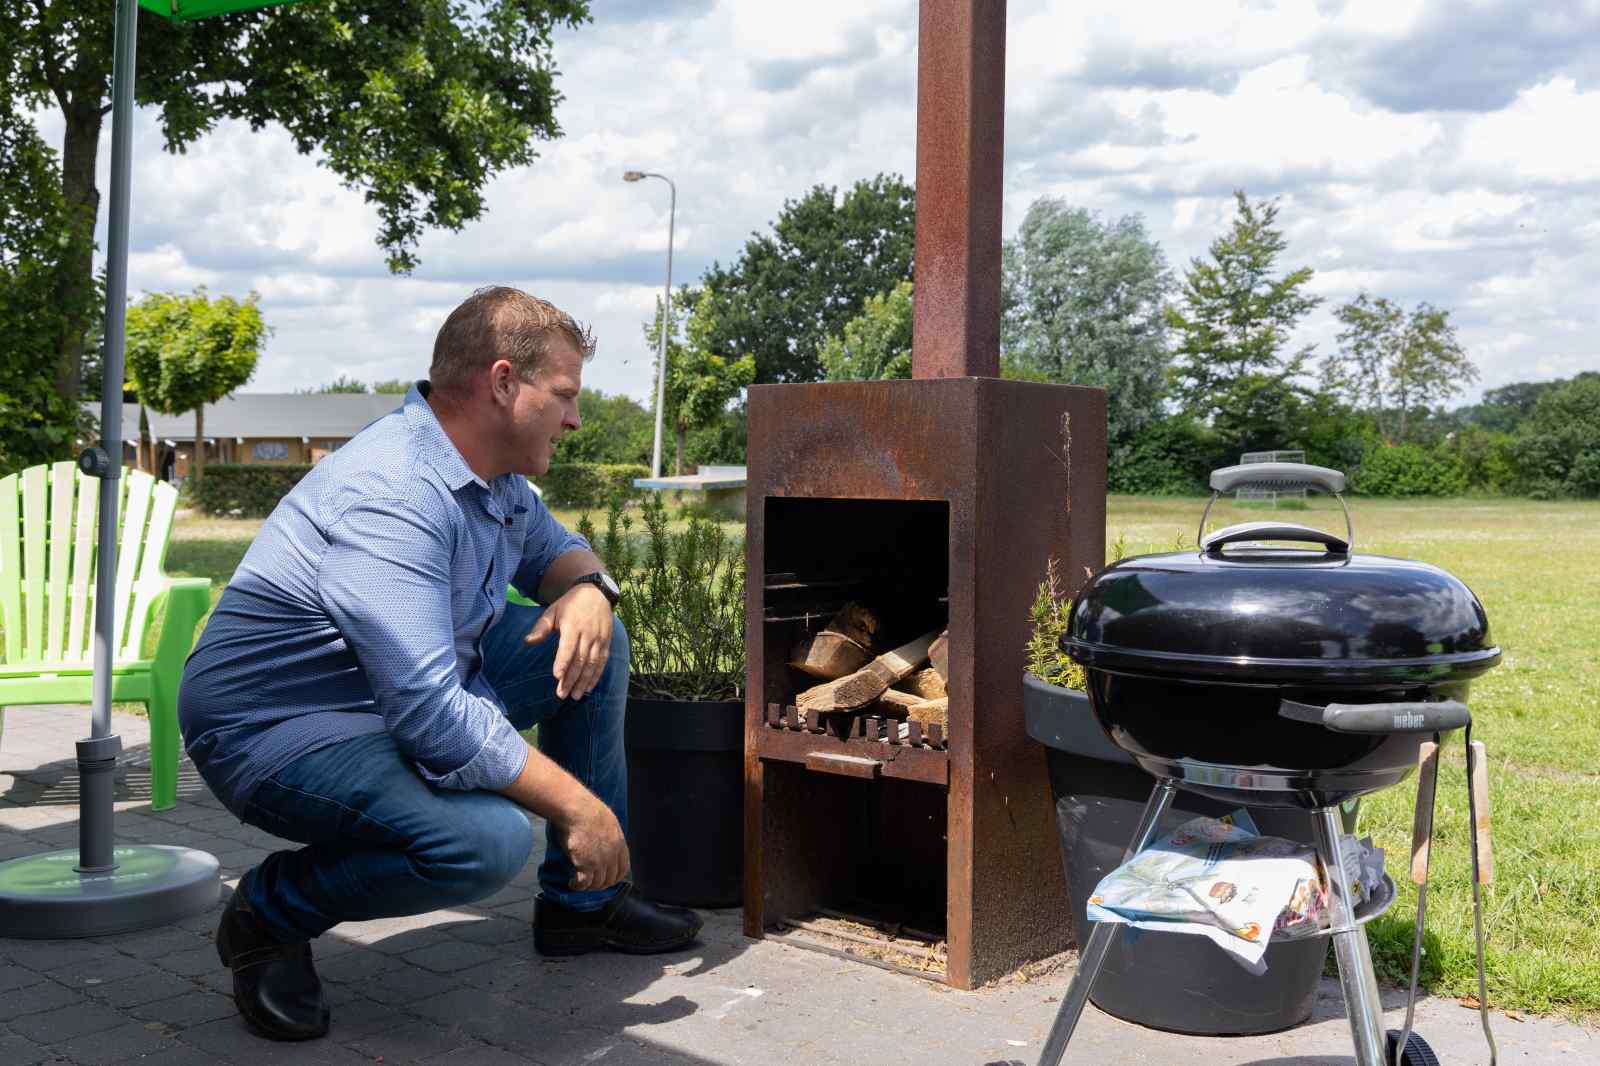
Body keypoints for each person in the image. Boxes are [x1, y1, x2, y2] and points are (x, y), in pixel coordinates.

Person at [178, 287, 701, 1042]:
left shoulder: (495, 476)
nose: (577, 418)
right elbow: (430, 715)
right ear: (501, 383)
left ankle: (581, 909)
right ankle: (270, 909)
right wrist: (583, 809)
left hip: (379, 690)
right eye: (565, 396)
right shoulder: (392, 491)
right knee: (485, 842)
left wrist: (591, 591)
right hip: (274, 727)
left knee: (593, 639)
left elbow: (554, 552)